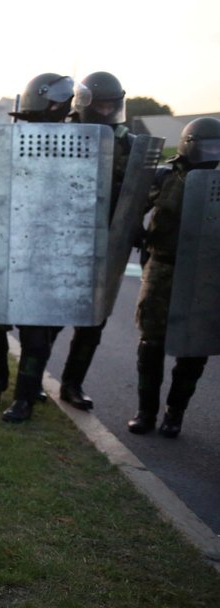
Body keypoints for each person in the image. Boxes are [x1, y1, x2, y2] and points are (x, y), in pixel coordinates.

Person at [0, 73, 75, 416]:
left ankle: (25, 396)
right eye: (55, 102)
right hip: (7, 246)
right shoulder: (4, 140)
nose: (61, 109)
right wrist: (14, 158)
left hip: (49, 250)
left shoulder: (75, 141)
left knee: (36, 333)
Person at [127, 116, 220, 437]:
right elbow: (131, 206)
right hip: (163, 268)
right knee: (151, 343)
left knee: (194, 349)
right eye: (206, 146)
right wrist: (134, 231)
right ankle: (146, 411)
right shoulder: (165, 177)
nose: (211, 154)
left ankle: (175, 413)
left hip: (206, 272)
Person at [54, 71, 133, 412]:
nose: (105, 112)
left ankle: (72, 384)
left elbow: (136, 189)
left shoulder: (126, 141)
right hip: (63, 239)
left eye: (110, 106)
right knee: (47, 317)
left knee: (93, 322)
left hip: (105, 244)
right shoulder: (61, 133)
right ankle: (30, 384)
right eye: (99, 106)